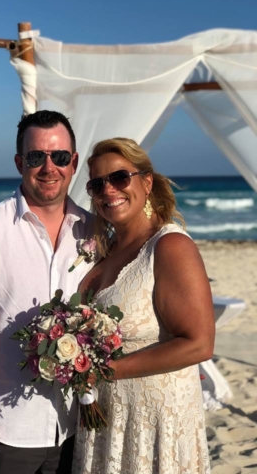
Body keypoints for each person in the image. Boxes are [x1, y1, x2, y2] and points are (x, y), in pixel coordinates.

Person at [0, 110, 94, 474]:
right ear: (18, 162)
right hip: (3, 430)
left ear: (73, 163)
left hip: (76, 428)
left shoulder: (94, 231)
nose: (48, 167)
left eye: (59, 157)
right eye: (35, 156)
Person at [72, 138, 215, 474]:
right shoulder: (102, 254)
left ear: (146, 182)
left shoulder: (170, 246)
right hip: (106, 421)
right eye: (97, 184)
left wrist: (103, 372)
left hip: (155, 425)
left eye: (120, 178)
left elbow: (199, 343)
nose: (108, 190)